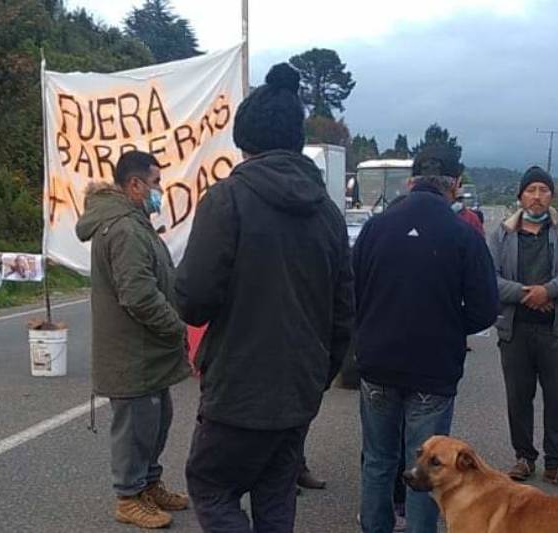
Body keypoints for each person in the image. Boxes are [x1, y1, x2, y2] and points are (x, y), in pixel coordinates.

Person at [175, 63, 354, 533]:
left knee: (212, 487)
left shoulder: (227, 199)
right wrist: (319, 374)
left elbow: (193, 299)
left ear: (244, 140)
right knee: (276, 498)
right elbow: (344, 316)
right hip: (299, 389)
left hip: (238, 387)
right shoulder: (329, 215)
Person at [353, 144, 499, 533]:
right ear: (455, 186)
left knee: (378, 459)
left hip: (377, 362)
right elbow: (486, 308)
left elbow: (351, 293)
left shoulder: (374, 228)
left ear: (410, 181)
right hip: (434, 368)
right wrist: (450, 327)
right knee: (426, 467)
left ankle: (375, 527)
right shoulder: (463, 234)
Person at [75, 150, 191, 530]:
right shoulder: (124, 228)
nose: (160, 190)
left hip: (148, 353)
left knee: (156, 423)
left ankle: (148, 484)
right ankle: (128, 496)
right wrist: (177, 327)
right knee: (136, 429)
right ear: (135, 184)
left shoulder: (135, 223)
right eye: (156, 182)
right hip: (133, 354)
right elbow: (138, 295)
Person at [488, 166, 558, 491]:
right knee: (518, 397)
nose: (537, 196)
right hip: (515, 331)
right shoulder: (502, 234)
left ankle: (556, 463)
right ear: (520, 196)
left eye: (543, 190)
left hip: (557, 331)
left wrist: (550, 290)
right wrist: (526, 294)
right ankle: (524, 457)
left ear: (552, 196)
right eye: (531, 190)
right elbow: (489, 278)